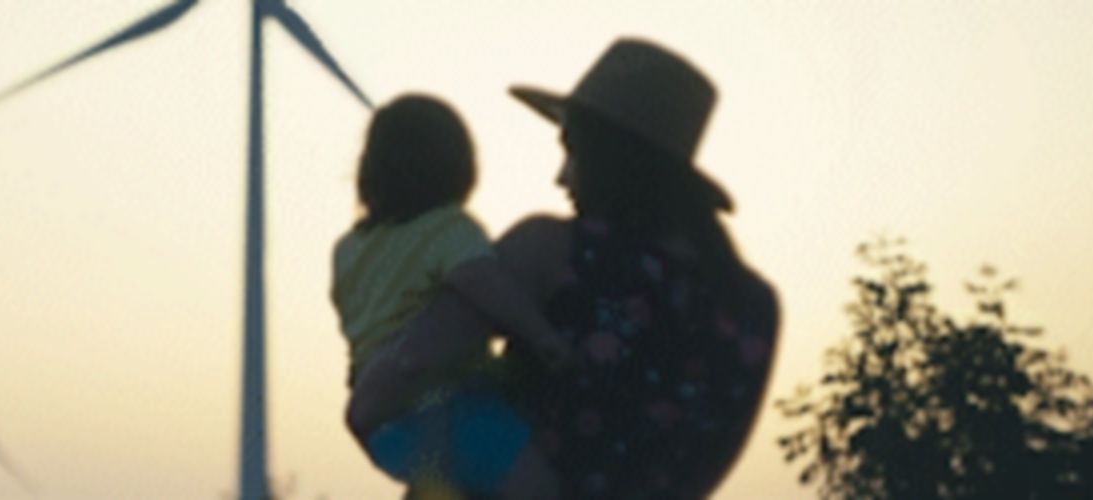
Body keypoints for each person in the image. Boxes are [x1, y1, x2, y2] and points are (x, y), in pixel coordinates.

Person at [350, 38, 781, 499]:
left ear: (614, 159)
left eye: (574, 152)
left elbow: (400, 374)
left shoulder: (550, 251)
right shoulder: (753, 311)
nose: (562, 176)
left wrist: (373, 412)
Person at [332, 94, 572, 499]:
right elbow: (483, 282)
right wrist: (542, 336)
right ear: (459, 168)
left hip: (385, 430)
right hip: (449, 407)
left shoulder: (349, 250)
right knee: (538, 488)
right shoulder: (450, 230)